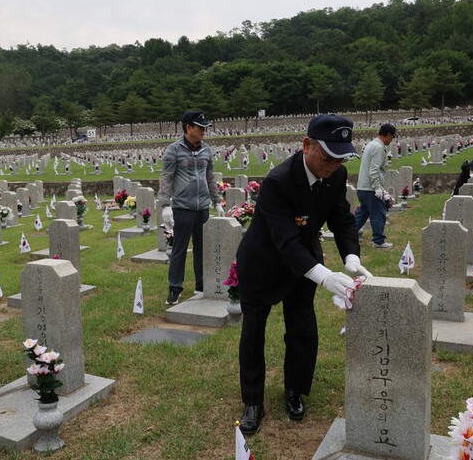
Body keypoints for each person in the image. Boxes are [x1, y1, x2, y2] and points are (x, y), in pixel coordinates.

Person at [236, 114, 373, 436]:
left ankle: (294, 389)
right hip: (263, 263)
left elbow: (341, 218)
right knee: (254, 333)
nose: (333, 165)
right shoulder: (277, 182)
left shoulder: (336, 176)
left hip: (305, 264)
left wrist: (351, 256)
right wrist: (325, 276)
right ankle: (253, 401)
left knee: (303, 329)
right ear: (307, 145)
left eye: (341, 159)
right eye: (328, 157)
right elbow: (284, 241)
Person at [159, 110, 223, 305]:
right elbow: (166, 178)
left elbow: (210, 177)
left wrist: (217, 201)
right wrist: (165, 205)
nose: (204, 130)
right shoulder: (174, 150)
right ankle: (175, 288)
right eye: (200, 127)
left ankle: (201, 284)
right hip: (183, 207)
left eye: (205, 127)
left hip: (202, 207)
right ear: (188, 127)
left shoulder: (206, 150)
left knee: (202, 249)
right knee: (179, 248)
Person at [354, 123, 396, 249]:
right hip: (371, 188)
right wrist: (377, 188)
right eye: (392, 137)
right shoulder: (378, 147)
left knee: (363, 213)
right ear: (388, 135)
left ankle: (348, 234)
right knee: (379, 213)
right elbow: (374, 169)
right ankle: (378, 241)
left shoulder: (372, 144)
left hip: (363, 186)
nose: (392, 140)